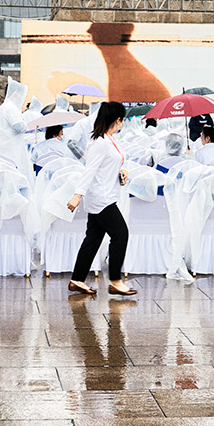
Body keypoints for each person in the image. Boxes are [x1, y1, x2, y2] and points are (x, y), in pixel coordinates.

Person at [66, 102, 135, 297]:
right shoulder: (99, 142)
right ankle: (115, 281)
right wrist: (77, 195)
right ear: (118, 120)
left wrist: (121, 173)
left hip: (106, 194)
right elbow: (89, 170)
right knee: (120, 234)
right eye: (123, 119)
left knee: (93, 239)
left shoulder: (108, 139)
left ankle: (77, 280)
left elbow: (108, 165)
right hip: (101, 198)